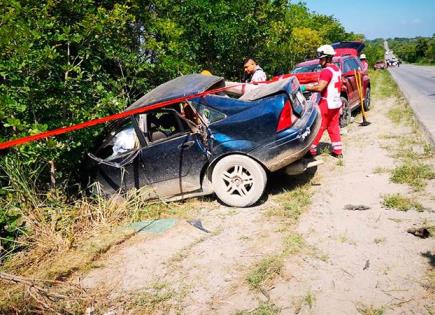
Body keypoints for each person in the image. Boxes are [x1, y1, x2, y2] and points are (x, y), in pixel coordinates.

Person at [301, 44, 343, 158]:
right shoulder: (337, 69)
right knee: (333, 126)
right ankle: (338, 151)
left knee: (318, 126)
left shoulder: (326, 71)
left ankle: (311, 151)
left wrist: (305, 87)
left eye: (321, 58)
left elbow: (320, 88)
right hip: (335, 103)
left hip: (326, 103)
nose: (319, 61)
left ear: (327, 58)